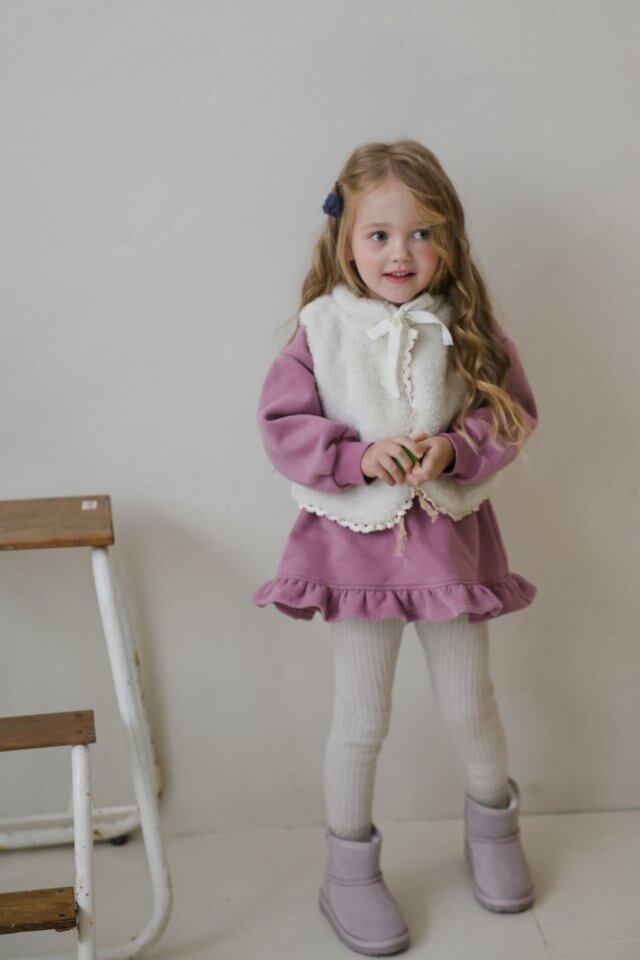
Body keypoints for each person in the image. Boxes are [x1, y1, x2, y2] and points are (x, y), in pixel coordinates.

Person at [252, 138, 539, 956]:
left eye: (422, 233)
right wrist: (355, 457)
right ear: (345, 239)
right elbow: (282, 425)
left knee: (470, 701)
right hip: (354, 555)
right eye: (379, 234)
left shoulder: (466, 326)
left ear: (448, 237)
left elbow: (510, 413)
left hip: (448, 551)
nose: (400, 253)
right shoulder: (321, 329)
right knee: (360, 716)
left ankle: (493, 831)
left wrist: (453, 448)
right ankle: (348, 871)